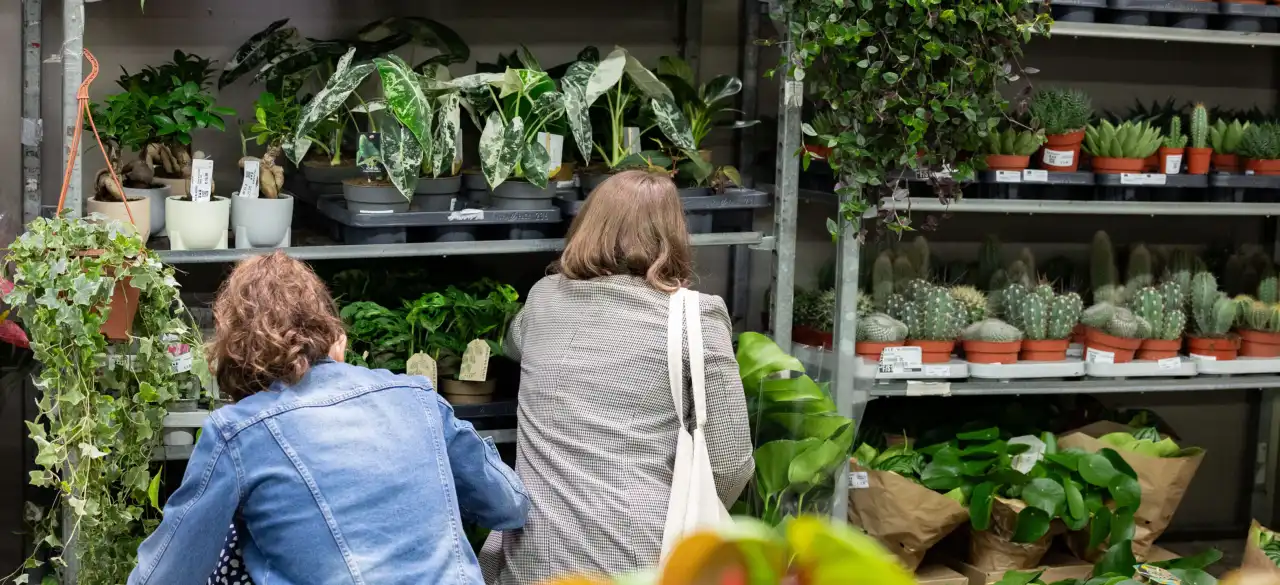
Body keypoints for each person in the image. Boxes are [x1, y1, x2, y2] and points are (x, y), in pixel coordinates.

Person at [128, 251, 529, 585]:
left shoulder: (239, 431)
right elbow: (509, 504)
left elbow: (163, 576)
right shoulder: (416, 396)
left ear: (233, 352)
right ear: (332, 332)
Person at [484, 170, 755, 584]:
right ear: (674, 234)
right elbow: (730, 464)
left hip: (536, 556)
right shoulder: (695, 317)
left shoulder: (541, 300)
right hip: (643, 557)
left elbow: (514, 346)